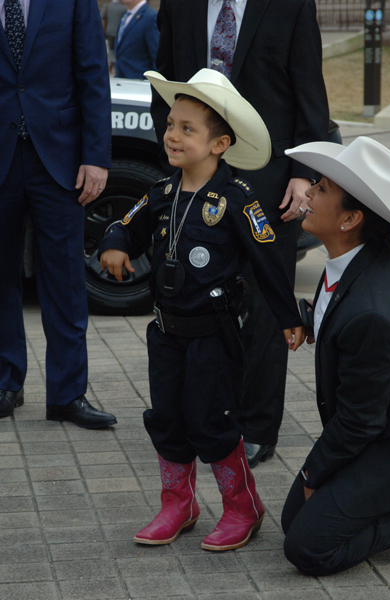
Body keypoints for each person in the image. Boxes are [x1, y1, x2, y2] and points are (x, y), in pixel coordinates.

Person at [99, 69, 304, 551]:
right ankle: (178, 503)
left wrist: (289, 318)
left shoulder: (237, 199)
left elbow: (269, 261)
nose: (172, 135)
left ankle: (242, 507)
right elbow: (125, 223)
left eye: (187, 128)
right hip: (167, 332)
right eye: (171, 124)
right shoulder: (162, 192)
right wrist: (113, 244)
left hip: (214, 335)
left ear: (220, 144)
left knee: (211, 420)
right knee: (168, 418)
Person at [150, 0, 329, 468]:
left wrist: (303, 173)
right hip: (198, 177)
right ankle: (206, 418)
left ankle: (256, 425)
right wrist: (177, 157)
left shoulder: (290, 6)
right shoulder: (179, 5)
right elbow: (164, 84)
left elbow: (310, 91)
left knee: (265, 304)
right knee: (200, 300)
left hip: (270, 183)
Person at [281, 136, 390, 575]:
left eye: (323, 189)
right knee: (294, 520)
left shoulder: (371, 313)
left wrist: (314, 473)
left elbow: (361, 420)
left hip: (385, 438)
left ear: (350, 218)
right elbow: (340, 306)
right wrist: (311, 319)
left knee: (308, 549)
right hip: (375, 428)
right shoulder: (359, 254)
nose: (308, 193)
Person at [0, 0, 117, 429]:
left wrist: (97, 158)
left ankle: (67, 395)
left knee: (66, 280)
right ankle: (5, 383)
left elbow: (92, 76)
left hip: (62, 162)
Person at [114, 0, 159, 79]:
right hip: (122, 82)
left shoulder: (150, 17)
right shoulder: (125, 16)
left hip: (139, 84)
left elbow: (157, 58)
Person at [101, 0, 127, 71]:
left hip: (109, 30)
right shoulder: (123, 8)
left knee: (111, 48)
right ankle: (115, 62)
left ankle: (111, 62)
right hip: (119, 32)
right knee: (117, 48)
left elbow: (102, 16)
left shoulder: (107, 6)